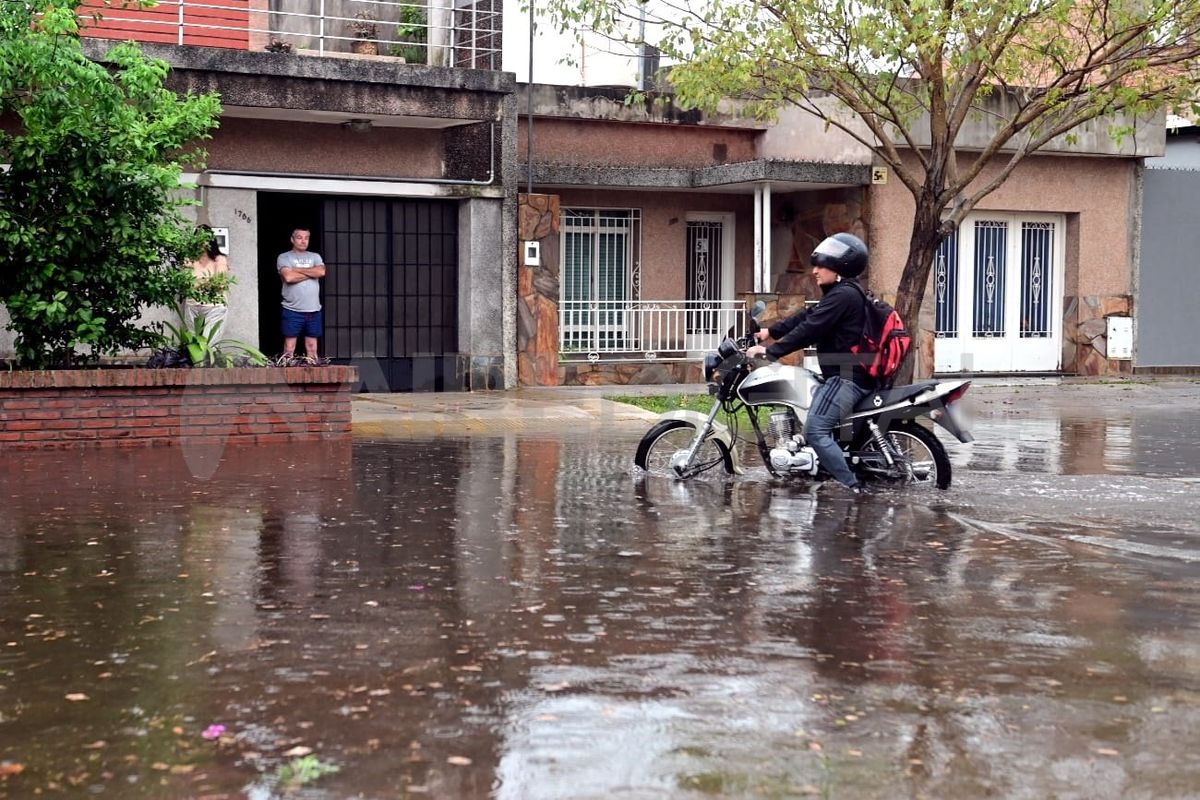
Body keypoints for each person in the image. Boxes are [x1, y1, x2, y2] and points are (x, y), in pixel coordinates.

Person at [746, 232, 873, 492]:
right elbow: (809, 315)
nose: (814, 271)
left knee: (816, 431)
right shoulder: (842, 294)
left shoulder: (844, 296)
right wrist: (771, 332)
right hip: (845, 374)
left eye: (820, 266)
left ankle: (852, 488)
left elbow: (811, 329)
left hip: (847, 377)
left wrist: (770, 353)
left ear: (839, 267)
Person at [276, 227, 327, 361]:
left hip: (314, 310)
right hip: (292, 309)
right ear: (292, 239)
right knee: (289, 348)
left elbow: (321, 272)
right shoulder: (284, 257)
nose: (303, 241)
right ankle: (286, 378)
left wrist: (297, 269)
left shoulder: (315, 256)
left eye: (306, 238)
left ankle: (314, 378)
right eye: (299, 237)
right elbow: (289, 277)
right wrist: (311, 273)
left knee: (312, 347)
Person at [183, 225, 231, 341]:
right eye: (199, 237)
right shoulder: (189, 259)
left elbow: (220, 284)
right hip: (192, 305)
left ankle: (209, 360)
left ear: (211, 240)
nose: (202, 241)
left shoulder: (219, 259)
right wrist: (208, 281)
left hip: (214, 307)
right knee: (193, 343)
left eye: (205, 238)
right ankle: (195, 360)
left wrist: (197, 283)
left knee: (210, 343)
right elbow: (186, 284)